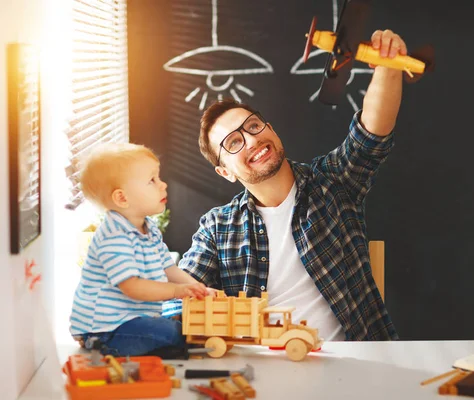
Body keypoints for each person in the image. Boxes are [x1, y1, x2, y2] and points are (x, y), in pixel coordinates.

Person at [164, 29, 404, 341]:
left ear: (272, 130)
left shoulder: (332, 182)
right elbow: (179, 302)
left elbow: (371, 135)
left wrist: (389, 64)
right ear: (225, 172)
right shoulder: (217, 228)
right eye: (234, 142)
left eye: (252, 126)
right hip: (265, 375)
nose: (252, 139)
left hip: (358, 365)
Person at [68, 142, 216, 357]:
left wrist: (198, 288)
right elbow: (133, 287)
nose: (163, 185)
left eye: (159, 177)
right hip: (105, 330)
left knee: (178, 316)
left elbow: (168, 268)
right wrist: (177, 291)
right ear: (122, 198)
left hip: (132, 319)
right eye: (152, 180)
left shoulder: (150, 228)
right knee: (171, 333)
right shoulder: (114, 237)